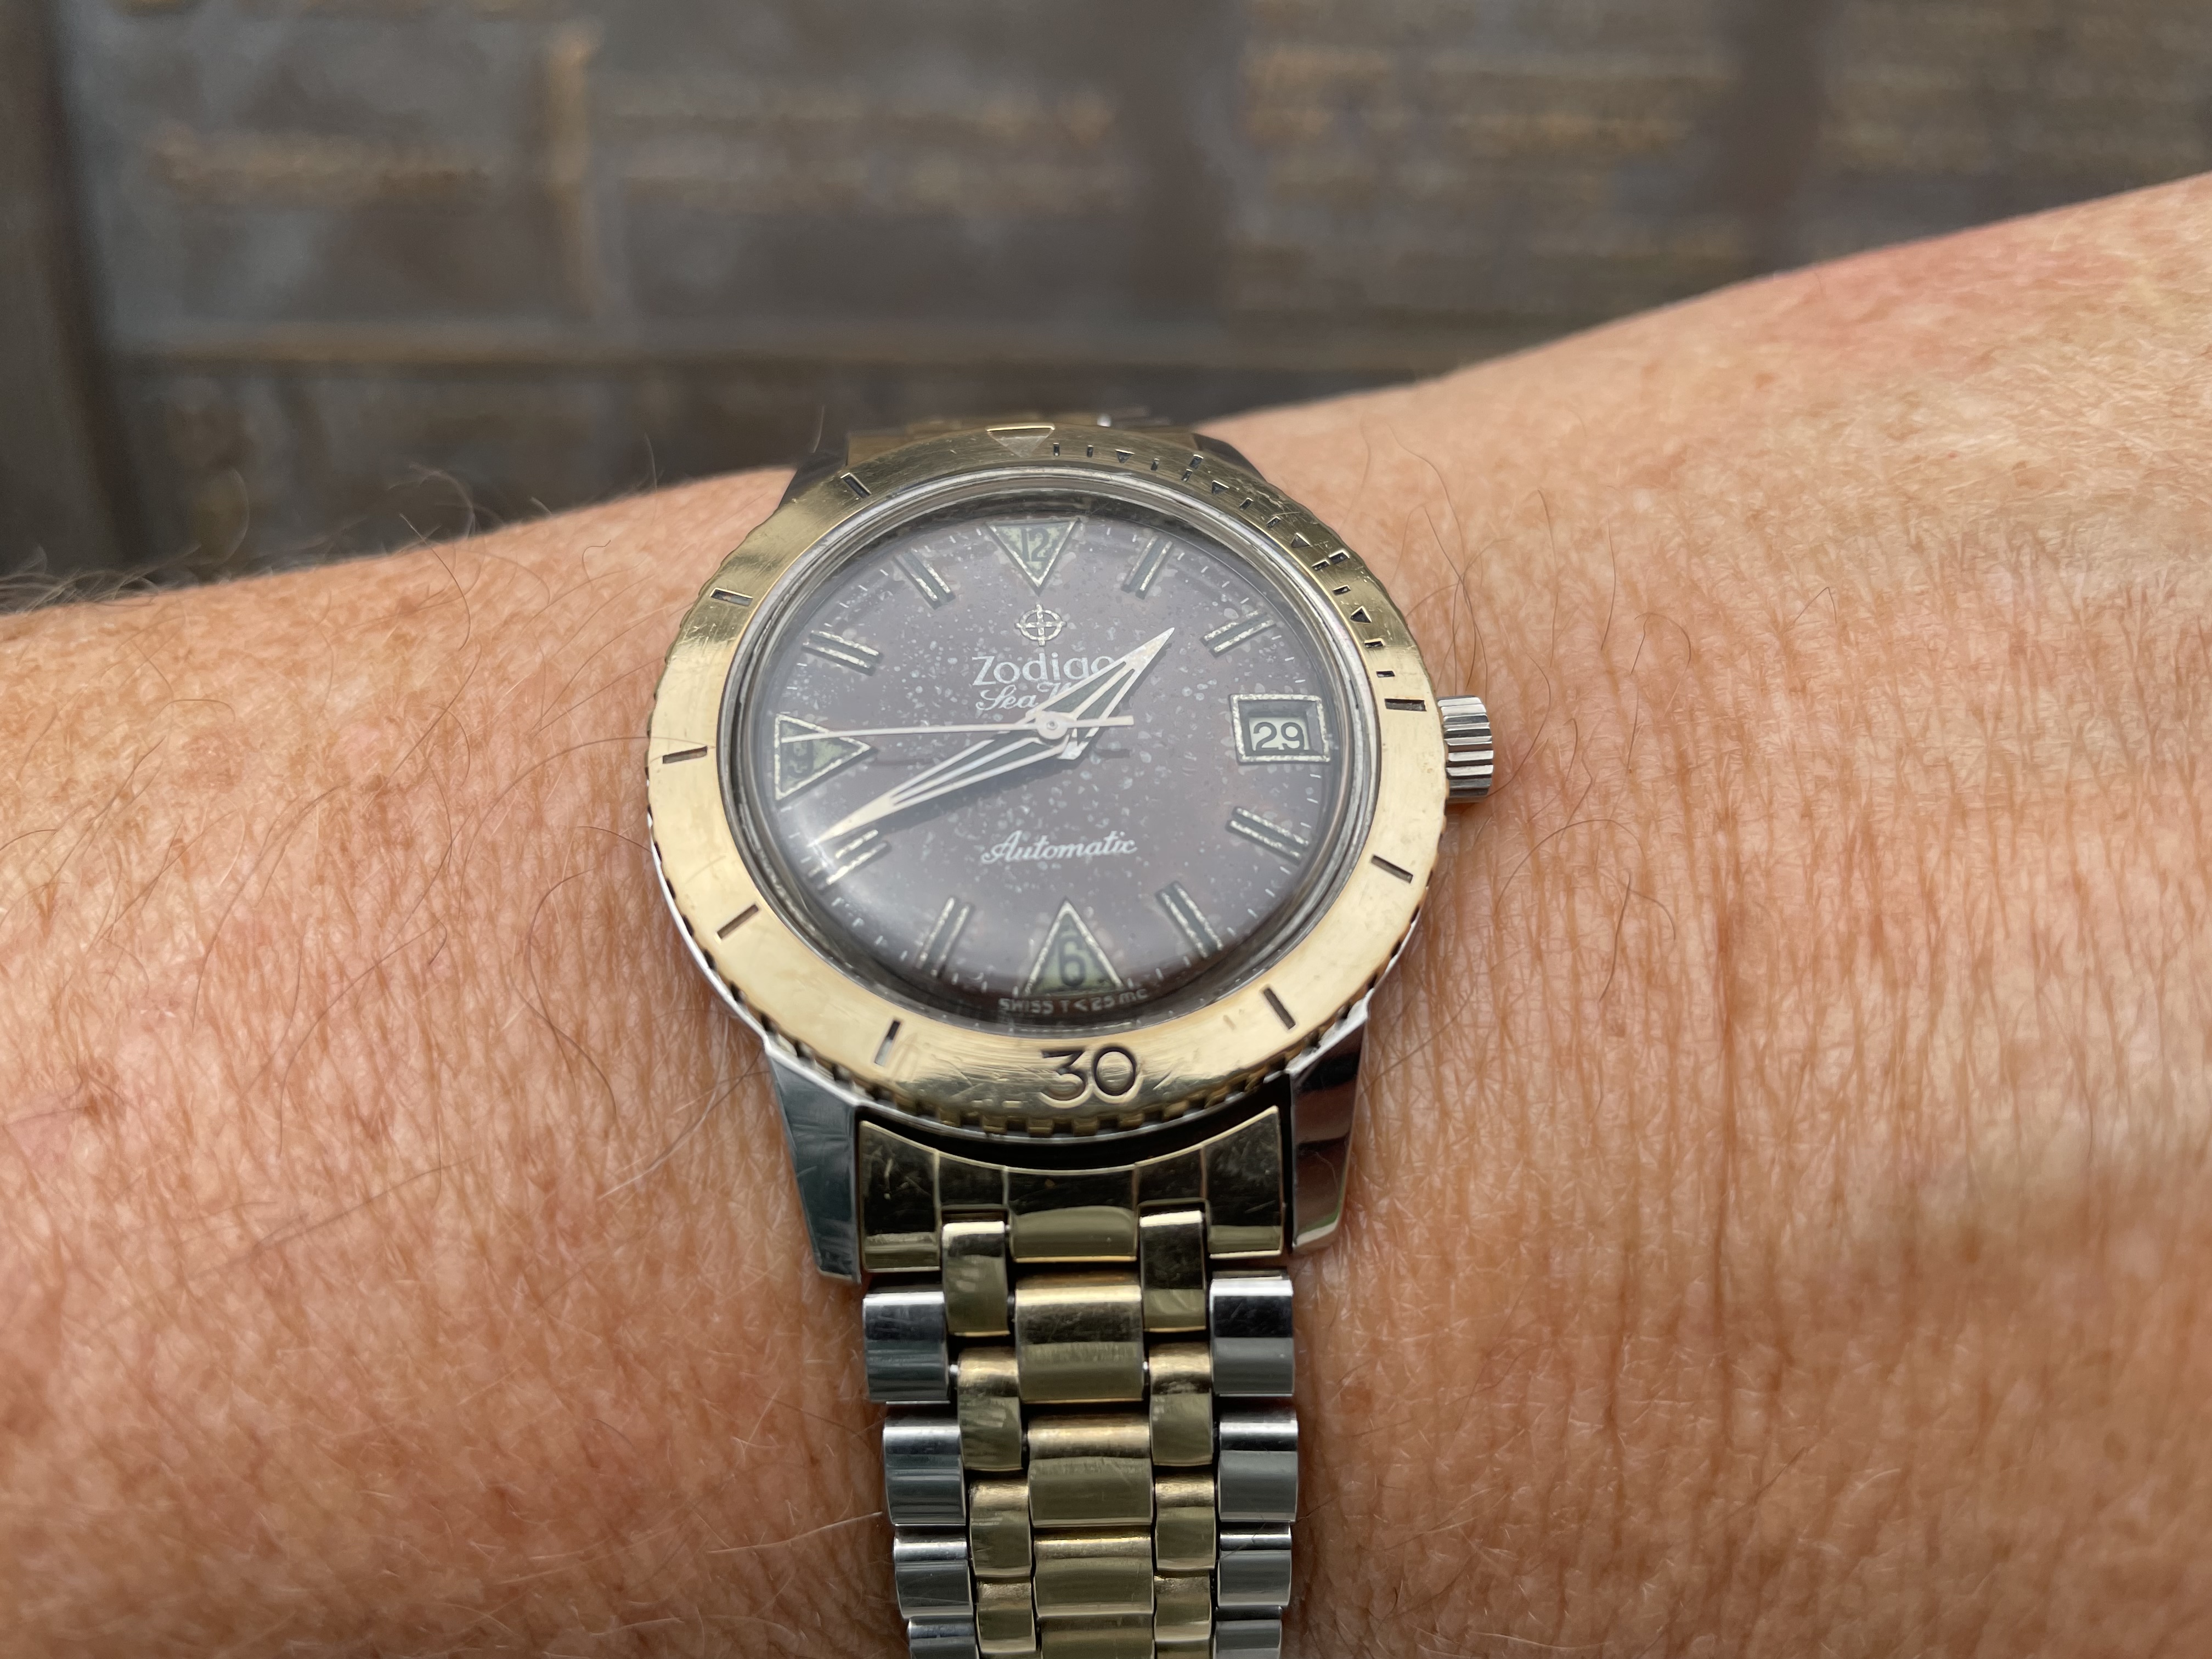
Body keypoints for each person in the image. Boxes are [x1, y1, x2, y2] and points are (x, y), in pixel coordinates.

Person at [5, 174, 2209, 1656]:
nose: (1062, 739)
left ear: (1419, 747)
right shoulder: (812, 723)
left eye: (1097, 718)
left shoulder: (1272, 721)